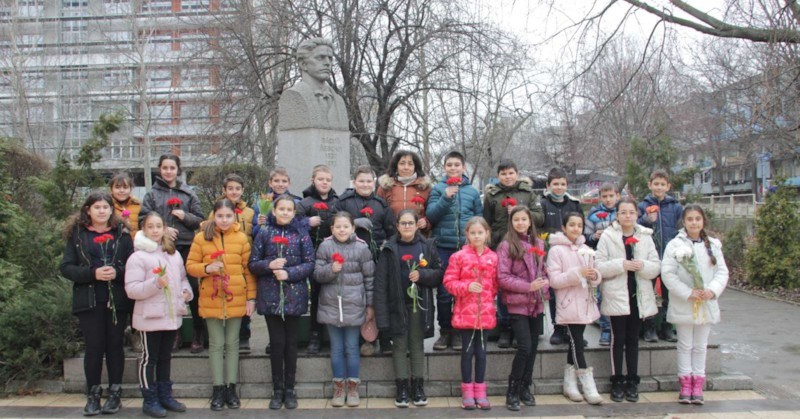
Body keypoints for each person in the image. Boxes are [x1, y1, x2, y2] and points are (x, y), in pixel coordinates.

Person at [60, 191, 134, 416]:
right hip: (89, 300)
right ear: (88, 210)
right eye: (97, 207)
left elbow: (133, 264)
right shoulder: (78, 235)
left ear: (112, 210)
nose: (102, 211)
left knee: (114, 346)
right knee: (94, 347)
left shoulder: (122, 234)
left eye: (105, 207)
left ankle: (114, 393)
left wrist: (117, 272)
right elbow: (66, 267)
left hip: (116, 300)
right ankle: (93, 395)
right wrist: (92, 273)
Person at [185, 199, 255, 412]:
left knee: (232, 343)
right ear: (213, 216)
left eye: (228, 216)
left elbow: (248, 270)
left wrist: (251, 298)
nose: (224, 220)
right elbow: (190, 266)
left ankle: (231, 388)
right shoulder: (202, 237)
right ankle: (217, 388)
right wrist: (207, 268)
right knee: (216, 344)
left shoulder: (241, 238)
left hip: (236, 296)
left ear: (234, 216)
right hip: (211, 297)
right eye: (220, 216)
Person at [248, 195, 314, 410]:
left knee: (291, 344)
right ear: (274, 211)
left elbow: (309, 263)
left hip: (294, 295)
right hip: (271, 296)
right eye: (281, 209)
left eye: (289, 209)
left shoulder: (301, 234)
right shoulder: (264, 232)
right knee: (276, 344)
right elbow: (253, 263)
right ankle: (277, 389)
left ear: (294, 213)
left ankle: (290, 388)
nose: (285, 212)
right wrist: (269, 265)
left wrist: (289, 273)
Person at [125, 213, 193, 417]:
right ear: (143, 230)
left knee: (165, 357)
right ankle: (149, 398)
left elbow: (182, 279)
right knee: (149, 359)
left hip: (170, 316)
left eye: (158, 226)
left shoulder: (173, 254)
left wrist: (186, 292)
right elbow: (132, 289)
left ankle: (165, 395)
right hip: (149, 318)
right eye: (150, 227)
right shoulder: (138, 257)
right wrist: (155, 284)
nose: (155, 230)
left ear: (164, 229)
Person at [374, 209, 444, 408]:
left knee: (416, 344)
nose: (407, 226)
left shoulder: (426, 246)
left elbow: (439, 273)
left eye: (410, 223)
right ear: (397, 226)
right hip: (396, 305)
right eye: (403, 223)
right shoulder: (389, 248)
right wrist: (381, 315)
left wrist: (422, 275)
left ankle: (418, 387)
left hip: (418, 305)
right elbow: (381, 284)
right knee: (399, 345)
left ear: (416, 225)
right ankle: (402, 387)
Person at [661, 204, 728, 405]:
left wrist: (711, 290)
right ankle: (685, 383)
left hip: (705, 301)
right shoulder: (675, 245)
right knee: (685, 345)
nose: (694, 223)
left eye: (697, 219)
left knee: (700, 345)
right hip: (684, 302)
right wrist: (687, 292)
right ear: (684, 221)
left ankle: (698, 383)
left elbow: (722, 272)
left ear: (703, 221)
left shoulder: (713, 245)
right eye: (690, 219)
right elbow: (668, 273)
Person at [595, 197, 660, 403]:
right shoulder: (608, 236)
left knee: (633, 339)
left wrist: (643, 266)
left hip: (638, 295)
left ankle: (632, 380)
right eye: (623, 212)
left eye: (631, 212)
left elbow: (656, 266)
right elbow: (599, 266)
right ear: (617, 215)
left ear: (637, 214)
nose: (627, 216)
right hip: (617, 295)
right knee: (618, 339)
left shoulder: (645, 236)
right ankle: (617, 380)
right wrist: (621, 264)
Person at [140, 154, 206, 353]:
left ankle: (198, 331)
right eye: (165, 168)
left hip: (186, 247)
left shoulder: (188, 193)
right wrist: (163, 229)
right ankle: (174, 333)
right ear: (160, 169)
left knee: (192, 289)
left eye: (172, 168)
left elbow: (199, 220)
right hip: (162, 249)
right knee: (168, 289)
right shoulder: (152, 195)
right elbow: (142, 219)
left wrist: (185, 216)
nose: (168, 171)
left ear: (178, 170)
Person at [314, 212, 375, 407]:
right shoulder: (325, 246)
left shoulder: (362, 248)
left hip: (354, 305)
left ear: (353, 228)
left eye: (346, 226)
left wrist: (370, 305)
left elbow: (370, 279)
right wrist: (330, 270)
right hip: (331, 304)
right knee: (336, 348)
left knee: (351, 347)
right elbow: (317, 274)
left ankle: (353, 387)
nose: (342, 230)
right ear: (332, 229)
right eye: (338, 227)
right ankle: (339, 388)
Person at [483, 159, 545, 349]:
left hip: (525, 247)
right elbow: (487, 221)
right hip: (501, 246)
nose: (507, 177)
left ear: (517, 174)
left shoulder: (528, 193)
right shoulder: (492, 195)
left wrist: (519, 213)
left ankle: (521, 330)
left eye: (511, 173)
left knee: (525, 285)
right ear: (498, 176)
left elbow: (540, 217)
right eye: (503, 174)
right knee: (505, 287)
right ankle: (505, 328)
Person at [426, 151, 483, 352]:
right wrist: (445, 197)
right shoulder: (438, 189)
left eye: (457, 164)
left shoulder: (472, 192)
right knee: (444, 293)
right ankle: (445, 331)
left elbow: (479, 219)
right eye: (449, 164)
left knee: (464, 292)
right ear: (444, 167)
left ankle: (459, 330)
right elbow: (431, 215)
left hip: (466, 249)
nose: (453, 168)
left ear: (463, 167)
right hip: (444, 247)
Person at [335, 165, 395, 355]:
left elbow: (391, 230)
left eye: (369, 181)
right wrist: (353, 223)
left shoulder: (380, 204)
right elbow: (333, 223)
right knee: (358, 299)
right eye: (361, 181)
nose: (365, 184)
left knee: (379, 298)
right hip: (351, 259)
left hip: (376, 259)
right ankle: (363, 340)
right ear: (354, 182)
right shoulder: (344, 202)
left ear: (374, 183)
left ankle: (384, 338)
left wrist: (386, 247)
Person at [546, 212, 604, 405]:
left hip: (585, 302)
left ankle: (569, 384)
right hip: (568, 303)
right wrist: (577, 273)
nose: (576, 228)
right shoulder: (556, 251)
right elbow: (554, 280)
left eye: (579, 225)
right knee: (577, 342)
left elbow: (595, 276)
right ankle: (588, 385)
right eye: (571, 225)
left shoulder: (586, 249)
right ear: (564, 227)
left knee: (574, 343)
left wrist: (594, 276)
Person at [496, 207, 549, 411]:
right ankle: (513, 388)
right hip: (517, 302)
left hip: (536, 302)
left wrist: (544, 285)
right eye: (516, 219)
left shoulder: (539, 243)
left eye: (524, 219)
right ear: (511, 222)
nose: (520, 223)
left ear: (530, 221)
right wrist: (528, 286)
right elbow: (503, 277)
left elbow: (544, 271)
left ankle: (526, 386)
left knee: (533, 347)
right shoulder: (506, 245)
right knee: (524, 346)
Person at [443, 217, 498, 410]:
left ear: (487, 233)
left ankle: (480, 391)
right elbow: (449, 282)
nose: (477, 236)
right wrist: (466, 286)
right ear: (467, 234)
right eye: (473, 233)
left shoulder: (493, 257)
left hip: (485, 313)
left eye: (480, 232)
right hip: (465, 313)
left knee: (481, 353)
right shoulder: (458, 257)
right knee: (467, 353)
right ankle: (467, 391)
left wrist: (488, 299)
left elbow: (495, 285)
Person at [206, 174, 256, 354]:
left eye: (237, 188)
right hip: (223, 260)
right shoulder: (216, 210)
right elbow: (208, 232)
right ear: (224, 190)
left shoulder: (250, 212)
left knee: (243, 298)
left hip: (243, 258)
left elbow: (254, 233)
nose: (234, 192)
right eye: (230, 188)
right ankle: (222, 338)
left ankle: (243, 336)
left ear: (243, 190)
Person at [295, 164, 339, 354]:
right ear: (313, 180)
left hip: (333, 254)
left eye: (328, 180)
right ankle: (315, 335)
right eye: (321, 179)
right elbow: (291, 224)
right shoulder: (304, 203)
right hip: (312, 254)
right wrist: (307, 222)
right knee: (316, 295)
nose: (324, 182)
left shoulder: (337, 202)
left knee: (334, 294)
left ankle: (335, 334)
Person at [637, 169, 683, 343]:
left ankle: (667, 326)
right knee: (647, 292)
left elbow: (681, 229)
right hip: (649, 257)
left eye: (663, 184)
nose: (659, 187)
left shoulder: (675, 207)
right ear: (650, 185)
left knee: (668, 294)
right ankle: (649, 327)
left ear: (668, 186)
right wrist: (646, 220)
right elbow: (636, 227)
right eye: (656, 184)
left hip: (669, 257)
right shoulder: (642, 206)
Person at [540, 167, 583, 346]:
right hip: (552, 253)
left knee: (573, 289)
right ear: (548, 185)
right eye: (555, 184)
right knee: (555, 290)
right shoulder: (543, 204)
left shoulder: (574, 204)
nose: (559, 187)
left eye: (562, 184)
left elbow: (580, 225)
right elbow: (539, 228)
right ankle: (558, 327)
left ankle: (573, 329)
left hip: (572, 252)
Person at [278, 37, 349, 131]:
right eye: (320, 58)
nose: (327, 63)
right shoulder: (292, 96)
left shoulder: (339, 101)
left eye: (330, 58)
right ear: (303, 64)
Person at [584, 182, 621, 346]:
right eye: (604, 196)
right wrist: (594, 237)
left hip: (620, 257)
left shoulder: (622, 212)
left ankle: (619, 329)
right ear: (600, 197)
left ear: (617, 196)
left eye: (611, 196)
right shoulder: (593, 215)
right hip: (601, 258)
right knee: (602, 294)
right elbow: (586, 236)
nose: (608, 199)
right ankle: (605, 329)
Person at [376, 150, 433, 234]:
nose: (406, 167)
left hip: (419, 236)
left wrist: (426, 222)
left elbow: (432, 213)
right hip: (392, 236)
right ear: (396, 166)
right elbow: (378, 214)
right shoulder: (385, 187)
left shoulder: (425, 187)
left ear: (415, 167)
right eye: (402, 163)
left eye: (410, 164)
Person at [109, 173, 141, 239]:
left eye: (125, 187)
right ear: (111, 189)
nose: (121, 191)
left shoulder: (138, 206)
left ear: (130, 189)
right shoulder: (107, 207)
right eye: (117, 187)